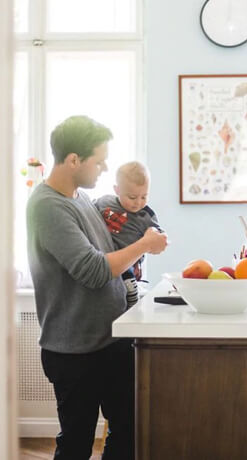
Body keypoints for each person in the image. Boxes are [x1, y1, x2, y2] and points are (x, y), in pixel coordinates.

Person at [26, 115, 168, 460]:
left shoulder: (81, 199)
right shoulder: (47, 206)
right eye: (99, 160)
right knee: (76, 443)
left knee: (127, 430)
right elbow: (93, 270)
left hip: (108, 341)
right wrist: (145, 245)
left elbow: (110, 255)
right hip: (75, 351)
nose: (104, 168)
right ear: (73, 160)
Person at [94, 161, 162, 308]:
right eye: (132, 197)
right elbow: (88, 213)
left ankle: (132, 297)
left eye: (144, 197)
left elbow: (157, 235)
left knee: (129, 287)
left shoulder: (146, 215)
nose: (138, 202)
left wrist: (156, 237)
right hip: (107, 257)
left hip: (131, 261)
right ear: (117, 190)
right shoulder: (104, 202)